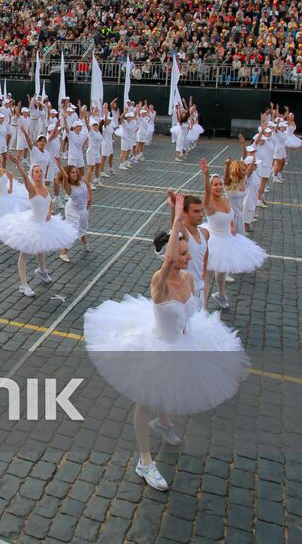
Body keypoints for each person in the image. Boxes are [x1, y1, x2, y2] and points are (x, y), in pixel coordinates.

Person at [84, 195, 250, 492]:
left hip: (184, 342)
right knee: (145, 400)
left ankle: (163, 423)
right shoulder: (159, 283)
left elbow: (189, 255)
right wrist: (175, 220)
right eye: (183, 253)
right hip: (158, 346)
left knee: (168, 389)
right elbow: (172, 257)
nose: (187, 257)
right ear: (168, 256)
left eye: (187, 253)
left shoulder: (187, 278)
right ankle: (145, 462)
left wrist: (182, 224)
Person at [0, 154, 77, 296]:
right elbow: (25, 179)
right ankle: (23, 285)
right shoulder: (32, 188)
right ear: (32, 175)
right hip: (31, 224)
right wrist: (18, 164)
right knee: (25, 254)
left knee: (41, 247)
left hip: (44, 222)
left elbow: (49, 201)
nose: (39, 173)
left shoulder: (45, 187)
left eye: (40, 171)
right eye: (36, 172)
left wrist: (49, 212)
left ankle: (42, 271)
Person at [200, 158, 267, 310]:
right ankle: (203, 307)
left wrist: (231, 226)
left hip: (227, 239)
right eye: (214, 184)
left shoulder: (225, 199)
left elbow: (230, 215)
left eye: (219, 184)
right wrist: (206, 175)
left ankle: (221, 295)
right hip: (213, 240)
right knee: (208, 276)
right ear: (210, 187)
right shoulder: (209, 204)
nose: (218, 186)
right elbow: (205, 192)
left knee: (222, 271)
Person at [58, 164, 91, 261]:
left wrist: (90, 199)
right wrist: (60, 165)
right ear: (68, 174)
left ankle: (85, 242)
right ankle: (63, 253)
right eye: (72, 172)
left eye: (76, 171)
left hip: (84, 207)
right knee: (73, 231)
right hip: (73, 210)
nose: (75, 174)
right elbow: (64, 176)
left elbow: (88, 186)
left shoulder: (81, 180)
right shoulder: (67, 186)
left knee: (83, 226)